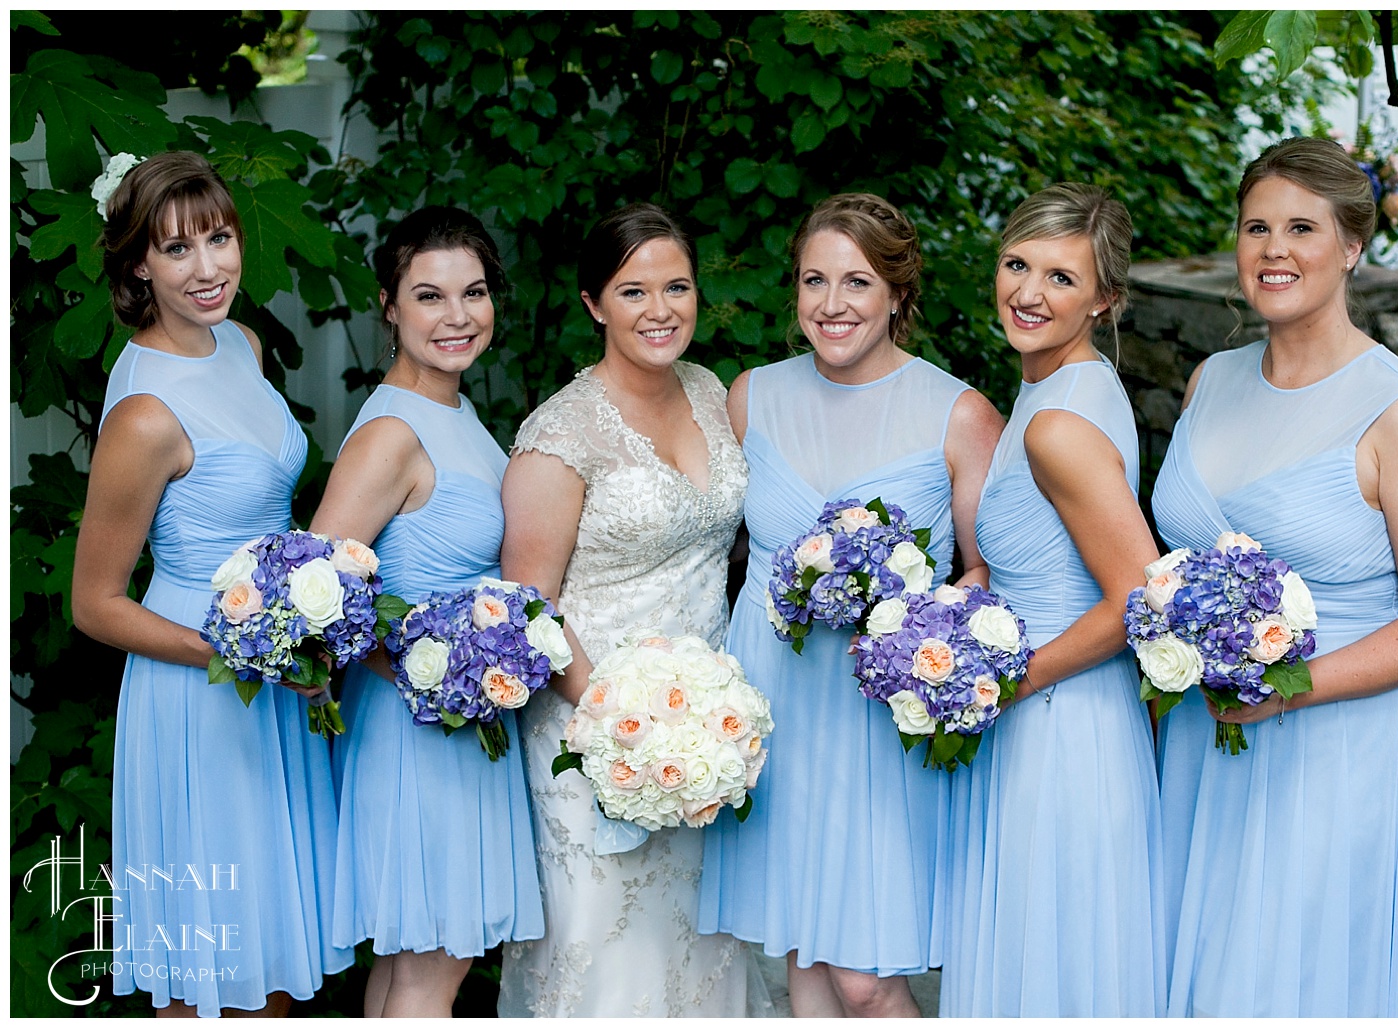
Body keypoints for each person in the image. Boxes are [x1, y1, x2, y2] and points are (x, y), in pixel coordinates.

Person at [1153, 136, 1398, 1017]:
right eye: (1256, 227)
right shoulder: (1210, 381)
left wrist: (1284, 692)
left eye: (1303, 227)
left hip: (1337, 750)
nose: (1274, 249)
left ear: (1353, 246)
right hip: (1205, 737)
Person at [698, 193, 1005, 1016]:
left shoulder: (961, 413)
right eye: (814, 280)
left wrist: (921, 634)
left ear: (899, 294)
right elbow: (710, 543)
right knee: (804, 953)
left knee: (867, 976)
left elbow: (987, 576)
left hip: (878, 716)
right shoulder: (750, 396)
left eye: (858, 282)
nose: (832, 305)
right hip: (775, 699)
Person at [73, 151, 352, 1015]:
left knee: (269, 954)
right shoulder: (145, 414)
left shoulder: (243, 342)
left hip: (276, 674)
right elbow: (94, 604)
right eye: (177, 249)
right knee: (211, 961)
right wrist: (238, 656)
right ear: (137, 266)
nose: (209, 269)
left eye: (220, 238)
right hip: (201, 692)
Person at [496, 203, 766, 1018]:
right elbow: (528, 610)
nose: (660, 311)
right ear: (592, 304)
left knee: (701, 948)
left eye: (676, 287)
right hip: (593, 735)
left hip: (709, 733)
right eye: (633, 291)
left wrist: (702, 728)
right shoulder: (561, 434)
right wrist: (627, 724)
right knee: (608, 954)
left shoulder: (711, 392)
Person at [934, 183, 1165, 1016]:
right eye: (1017, 264)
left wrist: (1005, 681)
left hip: (1062, 724)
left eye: (1062, 278)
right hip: (1052, 707)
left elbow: (1137, 597)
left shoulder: (1055, 425)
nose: (1029, 293)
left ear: (1105, 298)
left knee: (1048, 968)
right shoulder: (1067, 386)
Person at [307, 207, 544, 1017]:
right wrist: (429, 669)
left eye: (473, 293)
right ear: (389, 306)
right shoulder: (391, 433)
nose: (457, 316)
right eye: (430, 296)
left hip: (455, 720)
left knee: (416, 963)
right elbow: (316, 597)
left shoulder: (457, 411)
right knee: (436, 963)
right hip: (420, 730)